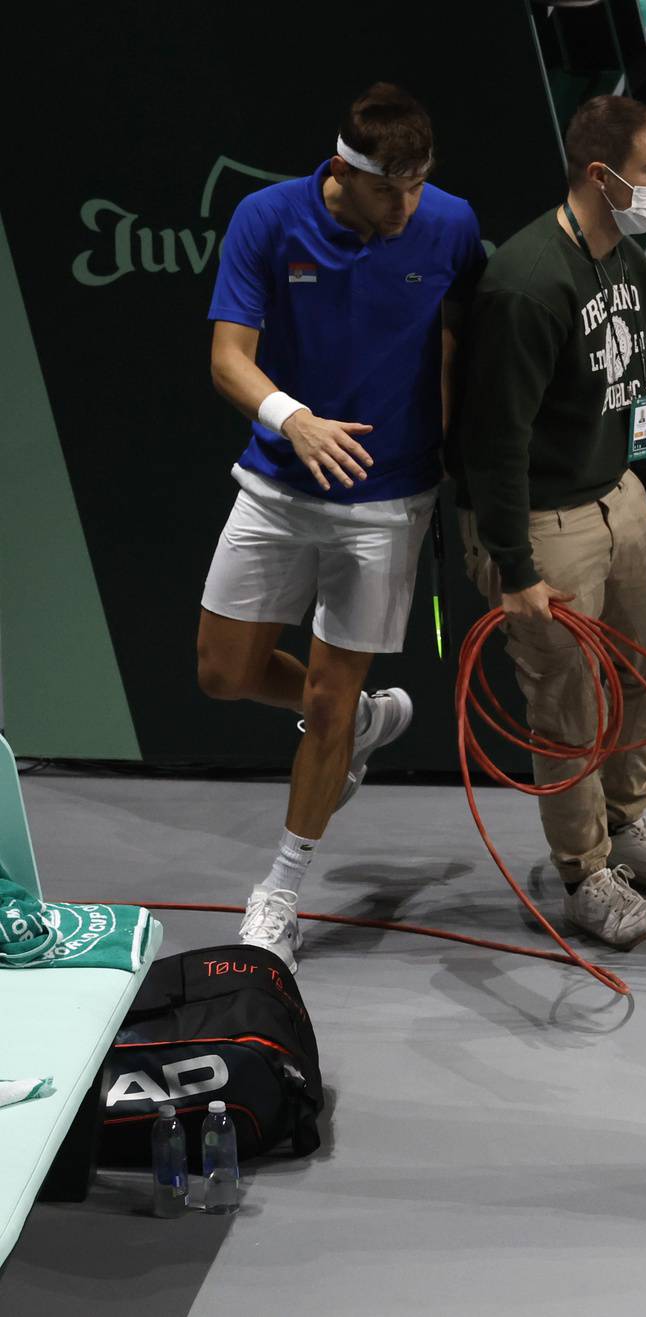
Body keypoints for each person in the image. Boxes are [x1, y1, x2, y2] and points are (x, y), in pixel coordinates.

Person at [197, 84, 486, 970]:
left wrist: (460, 472)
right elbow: (227, 359)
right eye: (388, 190)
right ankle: (361, 720)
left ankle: (281, 888)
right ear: (341, 172)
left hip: (390, 499)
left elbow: (463, 347)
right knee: (224, 673)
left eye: (418, 186)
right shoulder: (266, 218)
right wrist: (294, 418)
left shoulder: (450, 225)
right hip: (279, 481)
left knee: (321, 700)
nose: (408, 207)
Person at [449, 94, 646, 952]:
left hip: (619, 492)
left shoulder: (629, 265)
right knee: (568, 704)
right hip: (540, 515)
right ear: (601, 177)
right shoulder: (528, 286)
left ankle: (628, 825)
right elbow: (493, 444)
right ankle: (585, 873)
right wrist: (516, 569)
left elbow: (638, 404)